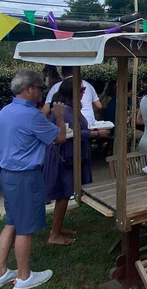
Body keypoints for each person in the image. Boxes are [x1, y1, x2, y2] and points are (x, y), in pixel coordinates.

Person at [0, 70, 67, 289]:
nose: (42, 92)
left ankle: (0, 272)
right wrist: (59, 115)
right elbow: (59, 137)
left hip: (7, 174)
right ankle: (24, 277)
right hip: (26, 176)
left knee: (11, 222)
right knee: (25, 228)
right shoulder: (31, 115)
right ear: (28, 89)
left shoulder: (4, 111)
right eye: (40, 88)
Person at [43, 79, 108, 246]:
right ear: (71, 91)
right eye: (81, 89)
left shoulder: (71, 107)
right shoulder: (64, 111)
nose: (84, 92)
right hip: (64, 157)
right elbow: (71, 134)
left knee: (65, 193)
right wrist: (97, 134)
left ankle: (58, 228)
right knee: (63, 194)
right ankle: (55, 234)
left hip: (72, 155)